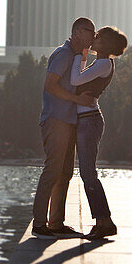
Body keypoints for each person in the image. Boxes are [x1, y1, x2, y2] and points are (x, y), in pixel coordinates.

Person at [31, 17, 99, 239]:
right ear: (78, 32)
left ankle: (56, 223)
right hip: (56, 120)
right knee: (53, 170)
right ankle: (40, 224)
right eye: (91, 32)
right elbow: (49, 85)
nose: (93, 37)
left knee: (65, 173)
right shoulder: (64, 54)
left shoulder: (76, 56)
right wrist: (76, 100)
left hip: (68, 122)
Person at [71, 25, 128, 240]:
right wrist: (83, 56)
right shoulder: (102, 63)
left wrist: (79, 53)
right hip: (87, 120)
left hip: (89, 121)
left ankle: (104, 221)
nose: (94, 38)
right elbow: (81, 77)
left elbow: (75, 79)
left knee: (88, 174)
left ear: (105, 43)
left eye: (98, 36)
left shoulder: (104, 64)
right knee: (88, 173)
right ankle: (104, 221)